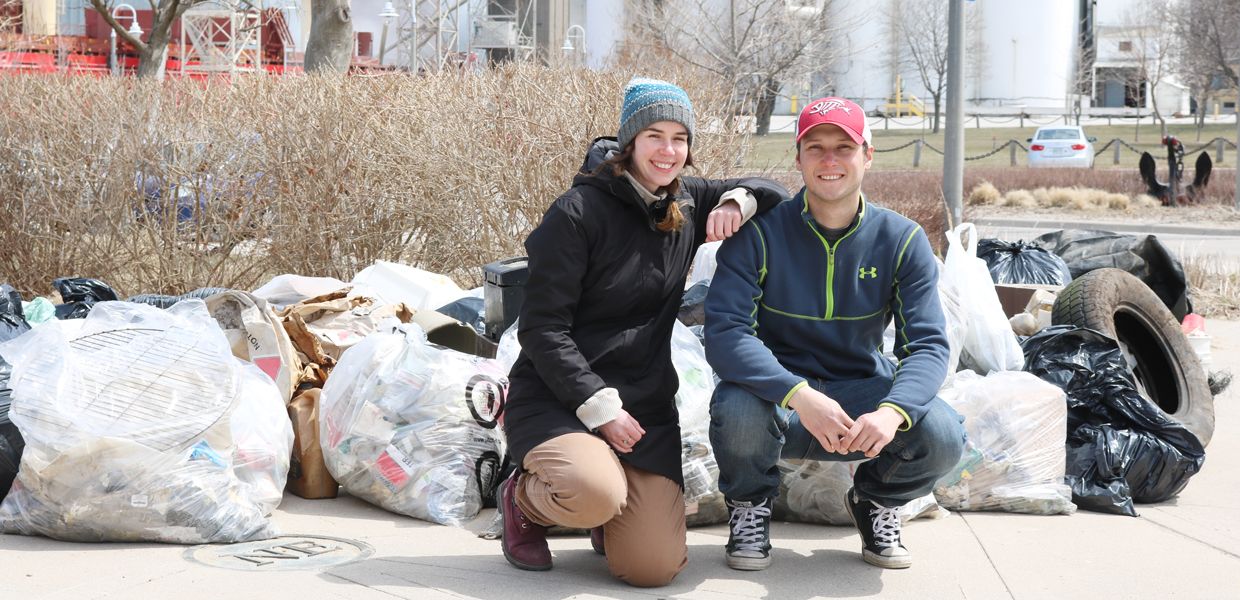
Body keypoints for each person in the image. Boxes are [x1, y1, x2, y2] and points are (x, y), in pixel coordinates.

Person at [500, 78, 789, 587]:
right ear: (629, 142)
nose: (667, 151)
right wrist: (601, 409)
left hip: (644, 407)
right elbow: (542, 330)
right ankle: (525, 501)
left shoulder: (687, 201)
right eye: (654, 136)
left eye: (680, 138)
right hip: (560, 399)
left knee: (652, 569)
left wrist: (736, 201)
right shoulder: (576, 213)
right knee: (593, 492)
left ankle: (606, 509)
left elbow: (775, 191)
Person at [703, 97, 966, 571]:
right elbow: (726, 334)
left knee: (943, 434)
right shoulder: (758, 235)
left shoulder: (902, 239)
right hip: (780, 399)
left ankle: (875, 501)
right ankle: (750, 505)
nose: (829, 160)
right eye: (815, 148)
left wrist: (892, 413)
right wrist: (798, 395)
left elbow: (927, 347)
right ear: (798, 158)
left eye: (844, 148)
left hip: (861, 395)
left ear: (868, 155)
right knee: (735, 406)